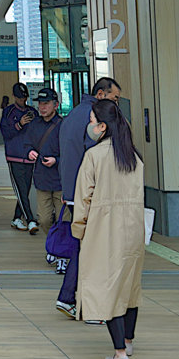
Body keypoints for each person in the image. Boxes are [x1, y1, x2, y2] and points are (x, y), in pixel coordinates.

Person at [71, 99, 144, 359]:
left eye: (91, 121)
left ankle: (120, 353)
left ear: (102, 126)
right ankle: (129, 339)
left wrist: (79, 230)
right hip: (133, 230)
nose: (90, 125)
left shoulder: (94, 156)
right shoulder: (133, 156)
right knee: (129, 286)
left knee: (107, 288)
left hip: (103, 231)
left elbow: (83, 200)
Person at [56, 77, 122, 318]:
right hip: (88, 194)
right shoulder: (94, 118)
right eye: (115, 98)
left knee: (83, 245)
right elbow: (94, 157)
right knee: (90, 249)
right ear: (102, 95)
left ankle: (73, 298)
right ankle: (72, 297)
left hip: (73, 191)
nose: (117, 103)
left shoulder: (72, 114)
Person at [0, 82, 39, 233]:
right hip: (14, 156)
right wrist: (19, 124)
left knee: (26, 189)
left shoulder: (32, 112)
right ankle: (30, 219)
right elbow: (5, 133)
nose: (23, 100)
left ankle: (17, 217)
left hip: (29, 156)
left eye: (25, 98)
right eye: (20, 98)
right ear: (15, 97)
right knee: (21, 189)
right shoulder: (9, 112)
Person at [27, 88, 64, 239]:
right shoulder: (34, 124)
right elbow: (26, 144)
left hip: (61, 181)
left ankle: (60, 250)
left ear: (55, 105)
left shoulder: (63, 125)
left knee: (64, 220)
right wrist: (29, 151)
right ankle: (54, 242)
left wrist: (57, 160)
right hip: (42, 179)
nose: (42, 107)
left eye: (46, 103)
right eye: (40, 103)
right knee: (44, 219)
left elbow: (71, 153)